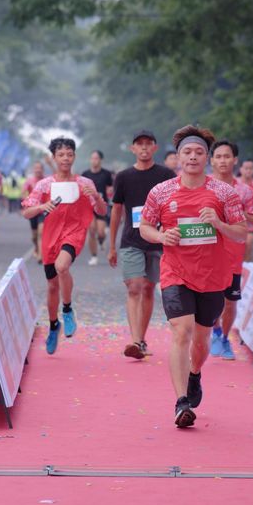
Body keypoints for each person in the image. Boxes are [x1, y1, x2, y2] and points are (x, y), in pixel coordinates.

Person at [140, 125, 247, 427]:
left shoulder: (224, 193)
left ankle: (195, 373)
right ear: (177, 157)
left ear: (207, 158)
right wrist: (161, 236)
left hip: (212, 277)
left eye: (199, 152)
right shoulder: (161, 192)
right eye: (187, 152)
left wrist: (219, 224)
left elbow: (241, 233)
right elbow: (145, 227)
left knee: (200, 342)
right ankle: (181, 402)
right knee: (181, 332)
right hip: (175, 273)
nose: (193, 157)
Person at [22, 137, 107, 355]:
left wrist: (96, 197)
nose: (66, 158)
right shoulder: (44, 185)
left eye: (69, 154)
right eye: (61, 155)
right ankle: (54, 325)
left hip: (74, 232)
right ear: (54, 158)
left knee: (62, 266)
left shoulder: (84, 183)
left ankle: (67, 309)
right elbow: (27, 212)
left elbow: (102, 211)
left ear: (74, 157)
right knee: (52, 286)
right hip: (51, 237)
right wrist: (42, 206)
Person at [109, 130, 175, 359]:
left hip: (157, 241)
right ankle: (135, 341)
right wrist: (111, 245)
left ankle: (141, 339)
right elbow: (116, 211)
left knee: (148, 288)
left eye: (148, 144)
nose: (144, 147)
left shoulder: (166, 175)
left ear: (155, 148)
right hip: (131, 240)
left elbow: (174, 204)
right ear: (133, 149)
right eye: (139, 144)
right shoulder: (123, 177)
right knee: (134, 286)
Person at [210, 140, 253, 359]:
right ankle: (215, 331)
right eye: (218, 156)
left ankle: (224, 338)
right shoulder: (203, 186)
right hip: (207, 253)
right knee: (212, 299)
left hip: (233, 253)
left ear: (235, 160)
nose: (223, 160)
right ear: (212, 160)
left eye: (227, 156)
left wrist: (236, 209)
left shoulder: (245, 191)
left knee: (230, 302)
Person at [81, 150, 114, 265]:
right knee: (91, 231)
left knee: (101, 233)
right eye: (92, 158)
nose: (94, 160)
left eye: (96, 158)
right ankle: (94, 256)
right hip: (89, 207)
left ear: (100, 160)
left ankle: (101, 240)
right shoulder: (85, 174)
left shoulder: (106, 174)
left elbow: (110, 187)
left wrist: (110, 191)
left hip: (101, 206)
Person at [22, 161, 46, 262]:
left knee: (41, 232)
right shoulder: (29, 181)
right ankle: (36, 247)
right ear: (33, 170)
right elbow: (23, 192)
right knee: (34, 236)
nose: (38, 170)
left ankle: (40, 255)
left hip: (43, 210)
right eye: (36, 168)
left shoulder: (46, 181)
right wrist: (27, 202)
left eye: (40, 168)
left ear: (42, 170)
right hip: (33, 211)